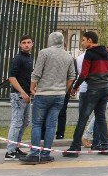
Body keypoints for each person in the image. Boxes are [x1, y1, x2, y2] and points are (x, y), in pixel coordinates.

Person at [19, 32, 76, 164]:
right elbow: (72, 76)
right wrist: (64, 90)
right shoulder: (68, 56)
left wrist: (32, 87)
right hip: (59, 95)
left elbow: (37, 72)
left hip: (43, 94)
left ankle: (34, 154)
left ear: (50, 40)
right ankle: (46, 154)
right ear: (62, 41)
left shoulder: (44, 53)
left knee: (37, 124)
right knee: (51, 126)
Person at [63, 31, 108, 157]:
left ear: (90, 41)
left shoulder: (89, 54)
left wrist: (75, 87)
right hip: (105, 89)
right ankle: (105, 146)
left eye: (84, 40)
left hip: (93, 89)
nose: (82, 42)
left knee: (83, 118)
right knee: (101, 117)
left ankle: (74, 148)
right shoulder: (106, 53)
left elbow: (84, 73)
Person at [5, 35, 34, 160]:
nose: (26, 45)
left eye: (28, 42)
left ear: (32, 44)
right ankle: (10, 151)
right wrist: (22, 92)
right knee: (17, 122)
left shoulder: (29, 58)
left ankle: (16, 146)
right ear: (20, 44)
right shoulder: (18, 58)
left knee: (25, 122)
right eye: (24, 43)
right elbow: (11, 77)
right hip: (18, 96)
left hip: (26, 95)